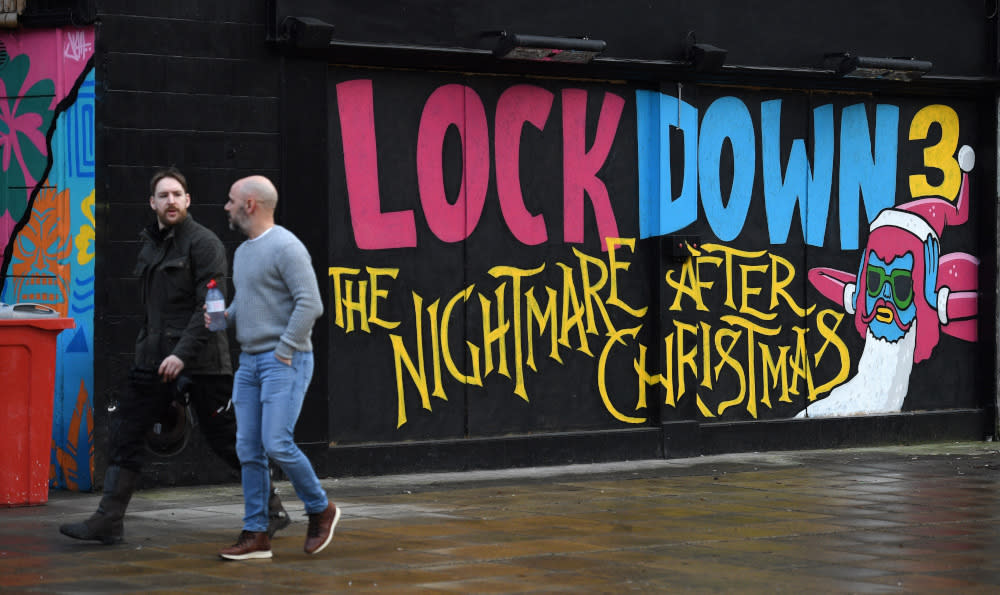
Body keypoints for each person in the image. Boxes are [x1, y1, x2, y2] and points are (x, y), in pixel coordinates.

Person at [59, 167, 290, 544]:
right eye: (163, 195)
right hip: (153, 360)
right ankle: (109, 519)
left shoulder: (205, 244)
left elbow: (212, 310)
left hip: (203, 361)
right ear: (152, 203)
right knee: (126, 430)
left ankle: (271, 508)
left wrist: (182, 355)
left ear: (188, 201)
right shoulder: (151, 245)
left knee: (226, 441)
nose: (171, 201)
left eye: (177, 194)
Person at [215, 175, 337, 561]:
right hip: (249, 362)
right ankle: (257, 534)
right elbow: (250, 303)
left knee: (276, 443)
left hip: (284, 360)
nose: (227, 206)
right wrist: (223, 317)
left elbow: (310, 303)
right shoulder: (244, 251)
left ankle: (320, 508)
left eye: (232, 200)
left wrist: (285, 348)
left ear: (250, 204)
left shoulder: (287, 246)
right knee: (248, 448)